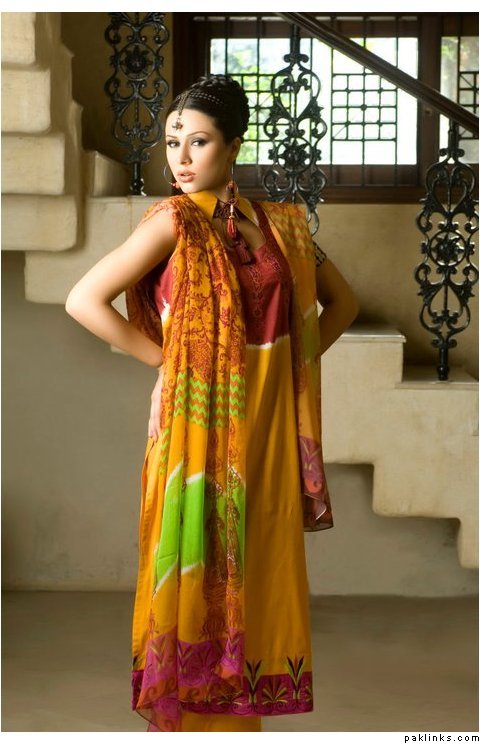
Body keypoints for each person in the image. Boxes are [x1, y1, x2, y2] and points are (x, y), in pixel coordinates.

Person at [65, 73, 359, 733]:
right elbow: (83, 300)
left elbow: (342, 304)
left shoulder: (281, 226)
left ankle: (238, 720)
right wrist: (169, 363)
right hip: (198, 428)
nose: (181, 156)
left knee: (260, 571)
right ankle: (194, 723)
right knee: (198, 572)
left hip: (269, 430)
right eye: (172, 141)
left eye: (198, 141)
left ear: (232, 147)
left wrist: (290, 363)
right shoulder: (173, 222)